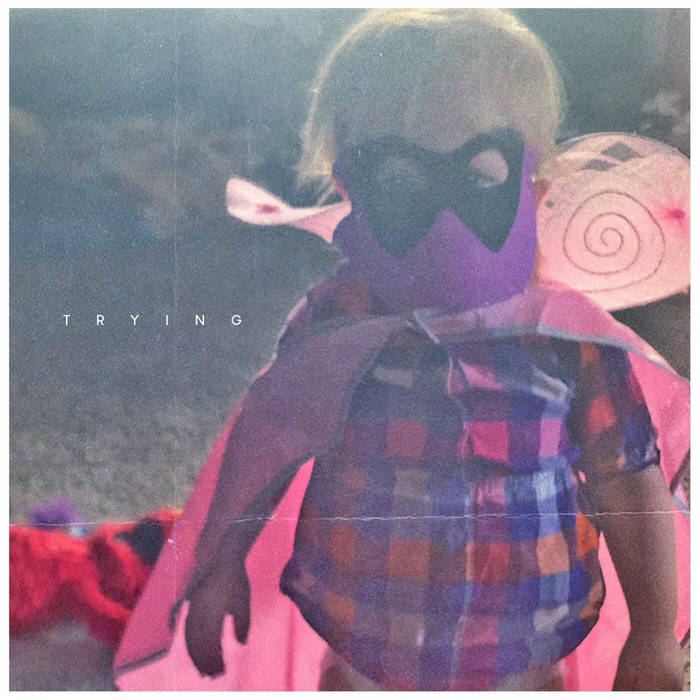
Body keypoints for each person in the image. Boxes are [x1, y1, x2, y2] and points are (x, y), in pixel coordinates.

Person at [115, 9, 688, 691]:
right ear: (350, 192)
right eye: (400, 184)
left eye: (480, 176)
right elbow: (270, 443)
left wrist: (653, 635)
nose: (442, 216)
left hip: (527, 654)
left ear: (533, 191)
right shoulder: (335, 322)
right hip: (363, 645)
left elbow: (628, 477)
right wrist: (221, 564)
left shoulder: (568, 340)